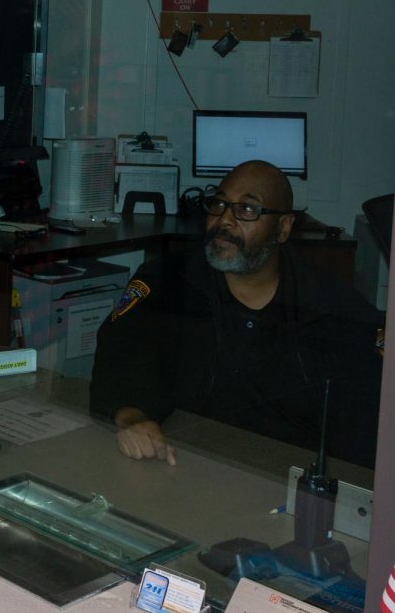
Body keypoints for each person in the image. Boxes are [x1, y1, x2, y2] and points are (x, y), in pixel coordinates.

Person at [89, 160, 383, 469]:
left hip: (286, 484)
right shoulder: (168, 283)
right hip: (182, 464)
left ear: (282, 228)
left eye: (247, 210)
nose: (224, 221)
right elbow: (118, 354)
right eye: (219, 204)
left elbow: (366, 424)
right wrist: (130, 416)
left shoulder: (330, 309)